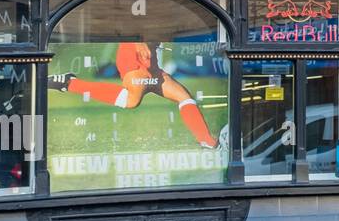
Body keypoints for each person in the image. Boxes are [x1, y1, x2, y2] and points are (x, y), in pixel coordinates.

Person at [47, 41, 220, 149]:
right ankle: (69, 83)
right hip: (133, 54)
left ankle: (205, 140)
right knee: (131, 100)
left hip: (151, 62)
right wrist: (139, 40)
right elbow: (132, 16)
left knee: (185, 97)